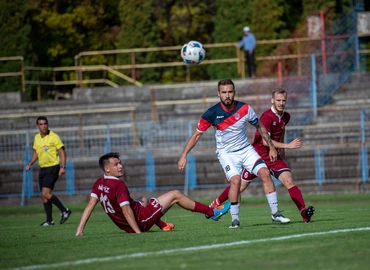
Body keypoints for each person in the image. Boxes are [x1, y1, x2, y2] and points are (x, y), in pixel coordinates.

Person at [178, 79, 290, 229]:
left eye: (230, 92)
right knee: (236, 181)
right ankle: (235, 220)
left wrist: (271, 147)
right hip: (226, 153)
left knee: (264, 173)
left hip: (245, 149)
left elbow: (260, 127)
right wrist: (184, 154)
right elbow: (196, 135)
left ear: (234, 92)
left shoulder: (245, 108)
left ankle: (275, 213)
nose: (227, 95)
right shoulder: (211, 113)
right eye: (224, 92)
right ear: (219, 94)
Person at [210, 88, 315, 223]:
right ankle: (216, 203)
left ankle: (303, 212)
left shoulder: (286, 117)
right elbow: (266, 141)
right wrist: (288, 145)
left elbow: (281, 131)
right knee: (239, 187)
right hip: (257, 157)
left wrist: (282, 151)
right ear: (272, 100)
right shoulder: (266, 117)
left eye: (283, 100)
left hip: (274, 157)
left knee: (289, 181)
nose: (281, 103)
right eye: (278, 100)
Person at [75, 152, 230, 235]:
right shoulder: (118, 185)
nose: (121, 166)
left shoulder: (99, 183)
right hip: (141, 221)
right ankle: (212, 212)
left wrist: (79, 230)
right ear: (107, 169)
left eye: (120, 163)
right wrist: (138, 232)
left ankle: (162, 225)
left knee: (143, 199)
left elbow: (89, 206)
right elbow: (126, 210)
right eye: (116, 164)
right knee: (176, 194)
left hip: (126, 225)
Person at [25, 116, 72, 226]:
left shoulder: (54, 136)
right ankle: (49, 220)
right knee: (43, 195)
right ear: (37, 126)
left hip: (53, 167)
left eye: (45, 123)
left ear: (48, 124)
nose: (44, 126)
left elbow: (62, 153)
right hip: (43, 168)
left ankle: (64, 210)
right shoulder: (37, 137)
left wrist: (63, 167)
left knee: (46, 193)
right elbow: (36, 153)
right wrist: (30, 163)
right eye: (41, 124)